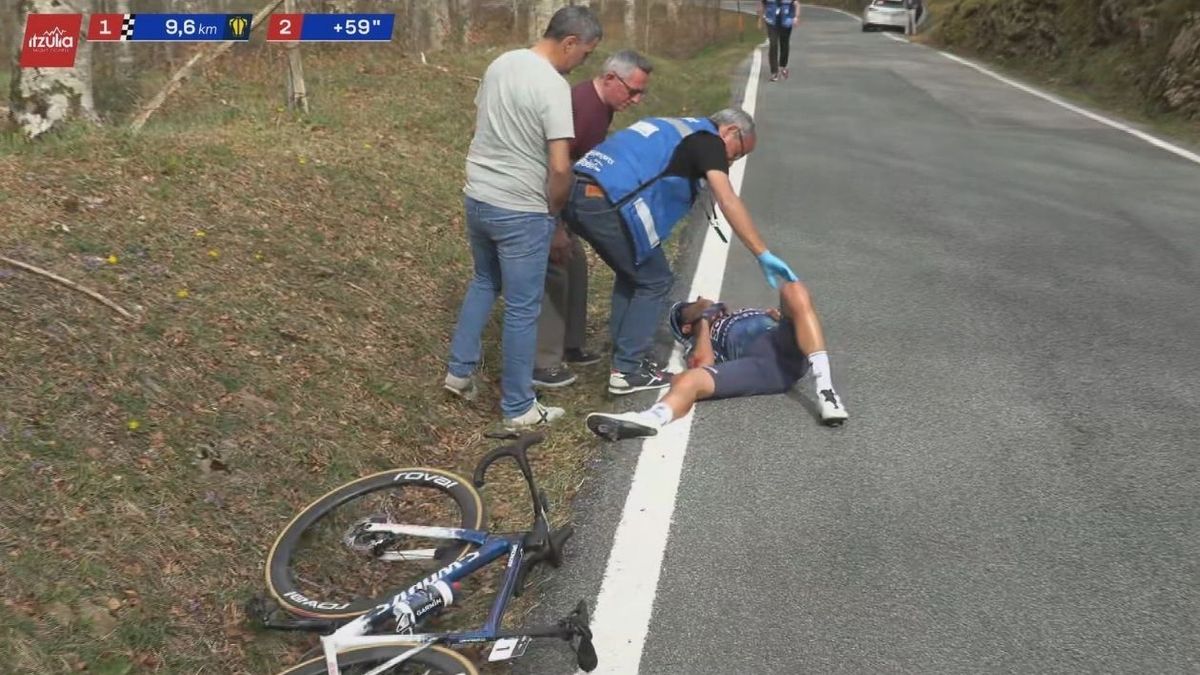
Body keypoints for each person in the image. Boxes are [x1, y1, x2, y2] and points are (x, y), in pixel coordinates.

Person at [563, 107, 800, 396]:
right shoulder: (709, 141)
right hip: (608, 201)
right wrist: (762, 253)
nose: (731, 161)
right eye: (736, 154)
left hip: (577, 188)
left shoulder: (676, 126)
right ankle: (626, 370)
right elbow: (727, 199)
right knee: (655, 279)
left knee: (637, 271)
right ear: (730, 132)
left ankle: (625, 351)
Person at [442, 6, 602, 430]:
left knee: (484, 281)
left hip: (478, 196)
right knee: (522, 308)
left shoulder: (501, 63)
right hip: (521, 209)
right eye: (584, 54)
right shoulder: (552, 87)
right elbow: (561, 167)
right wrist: (552, 214)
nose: (581, 63)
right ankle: (518, 407)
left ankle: (459, 371)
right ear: (569, 42)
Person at [585, 280, 849, 441]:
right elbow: (704, 365)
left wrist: (780, 318)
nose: (703, 301)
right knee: (688, 379)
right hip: (763, 367)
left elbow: (799, 318)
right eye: (694, 306)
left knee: (794, 289)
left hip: (781, 342)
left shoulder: (736, 315)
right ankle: (651, 419)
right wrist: (703, 322)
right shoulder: (698, 337)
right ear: (685, 327)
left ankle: (826, 391)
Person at [533, 49, 654, 390]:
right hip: (545, 201)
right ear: (611, 78)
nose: (637, 99)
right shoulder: (584, 108)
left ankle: (572, 345)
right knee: (555, 269)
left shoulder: (602, 107)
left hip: (566, 200)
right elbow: (555, 167)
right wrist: (555, 227)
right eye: (633, 91)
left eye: (642, 92)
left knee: (576, 264)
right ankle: (543, 364)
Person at [758, 0, 799, 82]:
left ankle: (783, 66)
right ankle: (774, 72)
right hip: (771, 21)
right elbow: (762, 4)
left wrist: (796, 17)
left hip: (786, 21)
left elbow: (796, 4)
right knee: (773, 44)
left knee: (784, 44)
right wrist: (760, 19)